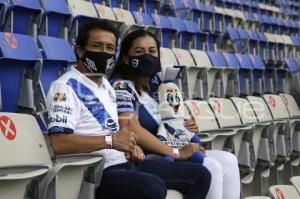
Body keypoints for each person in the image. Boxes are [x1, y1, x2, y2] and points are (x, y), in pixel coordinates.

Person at [46, 19, 211, 199]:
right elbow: (58, 143)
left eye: (110, 48)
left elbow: (120, 130)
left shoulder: (105, 85)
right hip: (95, 173)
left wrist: (131, 146)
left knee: (200, 175)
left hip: (125, 162)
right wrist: (111, 141)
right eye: (97, 46)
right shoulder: (65, 87)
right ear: (80, 50)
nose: (104, 52)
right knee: (152, 187)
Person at [111, 29, 241, 199]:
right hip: (150, 155)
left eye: (152, 51)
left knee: (229, 160)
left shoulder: (158, 86)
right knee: (212, 166)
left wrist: (186, 127)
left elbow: (171, 120)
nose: (147, 56)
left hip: (172, 148)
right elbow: (132, 128)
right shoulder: (121, 85)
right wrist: (175, 152)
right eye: (139, 52)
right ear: (126, 58)